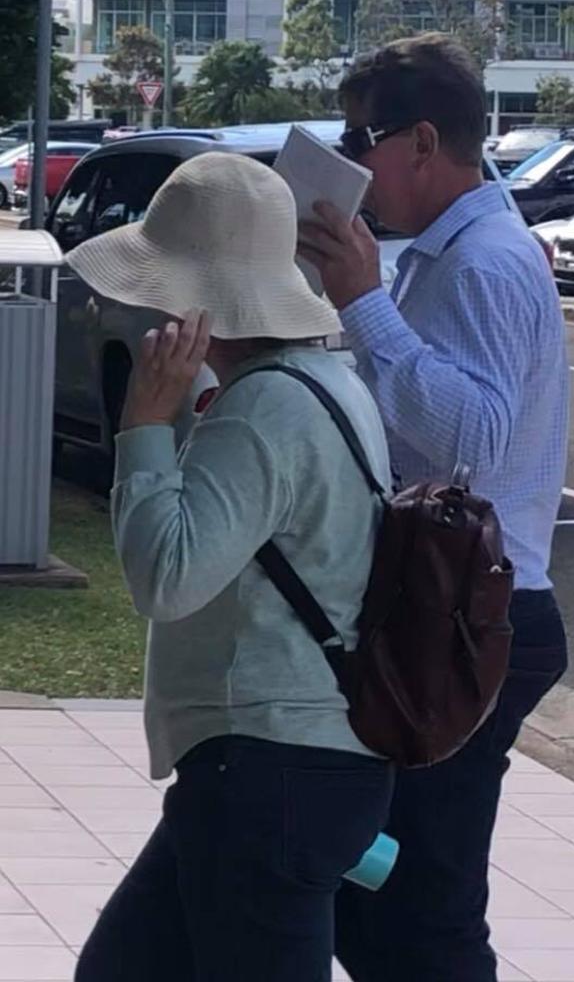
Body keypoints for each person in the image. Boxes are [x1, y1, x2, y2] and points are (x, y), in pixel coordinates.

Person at [67, 152, 395, 981]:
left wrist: (144, 423)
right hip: (275, 764)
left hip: (271, 774)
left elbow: (166, 580)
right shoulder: (325, 382)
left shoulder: (264, 409)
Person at [300, 32, 570, 982]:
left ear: (421, 141)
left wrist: (366, 303)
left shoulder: (486, 262)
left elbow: (476, 441)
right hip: (445, 605)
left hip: (474, 617)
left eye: (356, 136)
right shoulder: (449, 253)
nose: (346, 158)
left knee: (424, 911)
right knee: (374, 900)